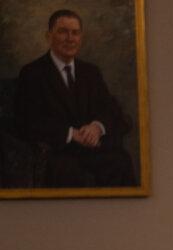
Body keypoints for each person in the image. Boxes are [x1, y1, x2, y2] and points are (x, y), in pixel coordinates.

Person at [14, 8, 135, 187]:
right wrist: (71, 134)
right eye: (63, 32)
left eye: (75, 33)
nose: (70, 39)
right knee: (69, 174)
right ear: (49, 36)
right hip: (57, 151)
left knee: (121, 161)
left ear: (81, 37)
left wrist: (97, 127)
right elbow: (27, 121)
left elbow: (112, 110)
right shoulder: (32, 73)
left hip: (94, 150)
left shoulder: (91, 72)